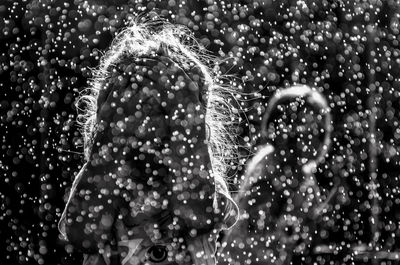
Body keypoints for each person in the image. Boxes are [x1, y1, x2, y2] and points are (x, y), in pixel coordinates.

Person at [59, 15, 239, 265]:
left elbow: (199, 216)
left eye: (161, 114)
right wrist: (108, 147)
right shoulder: (109, 180)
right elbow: (80, 233)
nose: (147, 128)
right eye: (133, 114)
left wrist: (187, 134)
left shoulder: (194, 182)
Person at [218, 85, 332, 265]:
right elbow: (258, 225)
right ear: (284, 130)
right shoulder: (269, 166)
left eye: (319, 131)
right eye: (308, 130)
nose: (314, 139)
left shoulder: (302, 173)